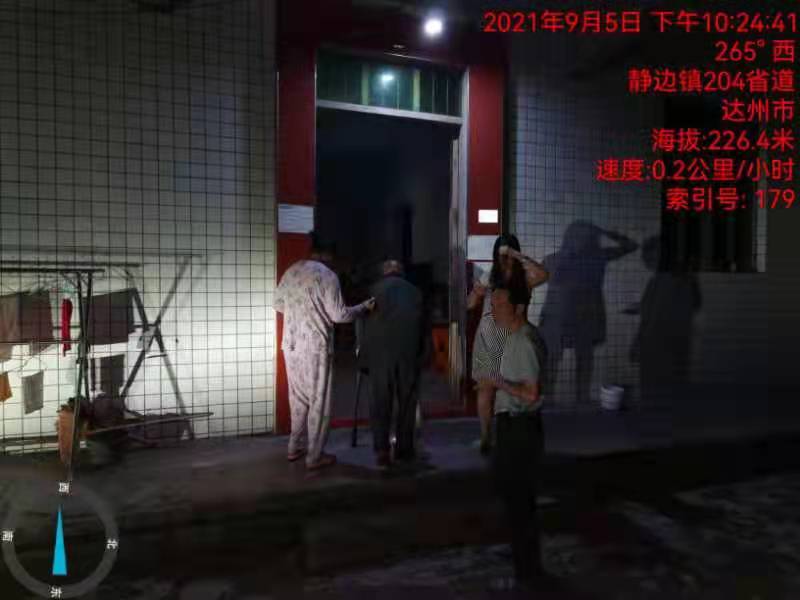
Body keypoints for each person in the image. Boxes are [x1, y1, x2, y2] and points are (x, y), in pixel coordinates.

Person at [274, 232, 375, 470]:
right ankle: (314, 456)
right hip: (315, 348)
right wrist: (363, 308)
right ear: (328, 255)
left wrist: (299, 312)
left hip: (291, 345)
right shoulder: (327, 276)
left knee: (297, 398)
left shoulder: (292, 271)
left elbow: (277, 304)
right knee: (318, 401)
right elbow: (339, 315)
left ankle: (294, 447)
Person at [477, 282, 549, 592]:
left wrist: (499, 383)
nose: (495, 312)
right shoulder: (511, 337)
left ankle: (528, 573)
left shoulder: (524, 341)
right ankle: (524, 562)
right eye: (492, 306)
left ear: (519, 307)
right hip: (512, 426)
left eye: (500, 306)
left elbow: (531, 394)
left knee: (520, 503)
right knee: (515, 500)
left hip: (521, 428)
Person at [539, 221, 638, 405]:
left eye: (587, 236)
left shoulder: (595, 257)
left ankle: (578, 397)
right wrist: (605, 233)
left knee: (582, 358)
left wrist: (607, 232)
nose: (583, 240)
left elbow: (632, 246)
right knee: (555, 359)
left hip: (578, 316)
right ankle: (551, 398)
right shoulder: (558, 259)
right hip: (562, 316)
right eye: (579, 236)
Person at [468, 234, 548, 454]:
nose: (504, 258)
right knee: (486, 386)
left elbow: (543, 275)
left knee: (511, 383)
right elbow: (470, 303)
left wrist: (518, 255)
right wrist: (475, 293)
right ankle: (486, 436)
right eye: (501, 253)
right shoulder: (490, 276)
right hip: (489, 336)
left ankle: (513, 428)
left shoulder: (525, 277)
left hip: (515, 337)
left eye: (508, 253)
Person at [359, 258, 424, 469]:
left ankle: (382, 451)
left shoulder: (373, 290)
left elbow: (364, 327)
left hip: (380, 356)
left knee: (380, 402)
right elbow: (424, 327)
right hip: (408, 355)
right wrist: (423, 356)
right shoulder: (416, 292)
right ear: (401, 272)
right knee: (407, 402)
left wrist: (363, 359)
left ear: (384, 272)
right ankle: (404, 449)